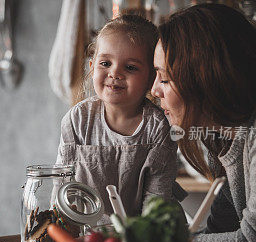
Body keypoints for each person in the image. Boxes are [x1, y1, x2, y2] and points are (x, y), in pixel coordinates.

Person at [151, 3, 256, 242]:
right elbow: (221, 232)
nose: (154, 90)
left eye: (164, 78)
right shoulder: (231, 135)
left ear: (203, 74)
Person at [56, 14, 187, 221]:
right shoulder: (77, 119)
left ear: (152, 79)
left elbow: (157, 199)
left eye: (131, 67)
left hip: (143, 233)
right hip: (88, 232)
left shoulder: (159, 127)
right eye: (105, 63)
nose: (115, 73)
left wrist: (139, 238)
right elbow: (62, 185)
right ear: (92, 68)